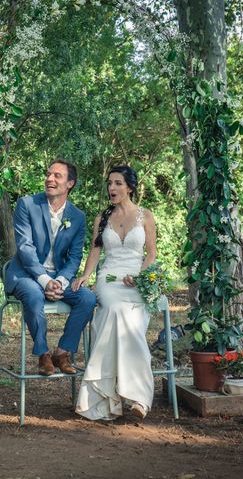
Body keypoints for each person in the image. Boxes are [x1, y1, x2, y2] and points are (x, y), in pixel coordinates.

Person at [72, 165, 157, 420]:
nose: (112, 188)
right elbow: (96, 252)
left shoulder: (146, 216)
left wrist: (141, 277)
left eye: (118, 183)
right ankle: (109, 394)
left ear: (129, 187)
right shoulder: (102, 218)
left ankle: (138, 398)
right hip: (109, 278)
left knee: (131, 321)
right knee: (113, 309)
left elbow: (151, 254)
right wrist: (86, 275)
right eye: (110, 183)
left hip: (135, 279)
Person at [3, 159, 96, 375]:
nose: (49, 179)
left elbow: (74, 257)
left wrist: (61, 282)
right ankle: (43, 354)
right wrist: (45, 281)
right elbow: (25, 248)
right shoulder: (27, 205)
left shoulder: (78, 217)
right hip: (27, 274)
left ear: (70, 183)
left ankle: (61, 353)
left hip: (59, 278)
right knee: (34, 296)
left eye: (57, 176)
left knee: (88, 298)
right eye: (48, 174)